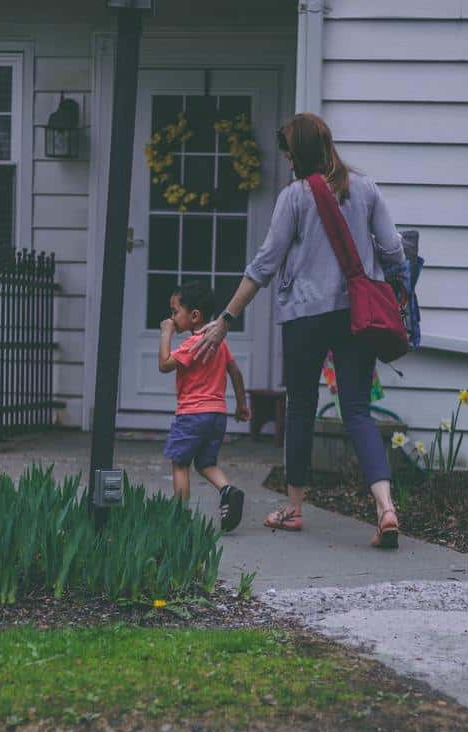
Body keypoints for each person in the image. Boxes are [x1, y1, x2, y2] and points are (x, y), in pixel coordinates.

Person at [190, 112, 404, 549]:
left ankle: (294, 509)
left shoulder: (294, 197)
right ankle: (385, 507)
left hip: (305, 317)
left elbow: (265, 265)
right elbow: (395, 249)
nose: (285, 159)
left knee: (302, 408)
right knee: (358, 410)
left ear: (300, 152)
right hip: (356, 316)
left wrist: (226, 319)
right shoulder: (366, 189)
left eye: (288, 151)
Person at [159, 279, 250, 532]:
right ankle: (228, 490)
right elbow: (235, 371)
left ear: (195, 315)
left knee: (180, 463)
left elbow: (165, 364)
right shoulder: (218, 341)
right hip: (217, 415)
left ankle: (179, 517)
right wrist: (241, 405)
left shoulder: (192, 344)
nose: (172, 317)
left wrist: (166, 332)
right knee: (206, 463)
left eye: (176, 312)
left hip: (191, 415)